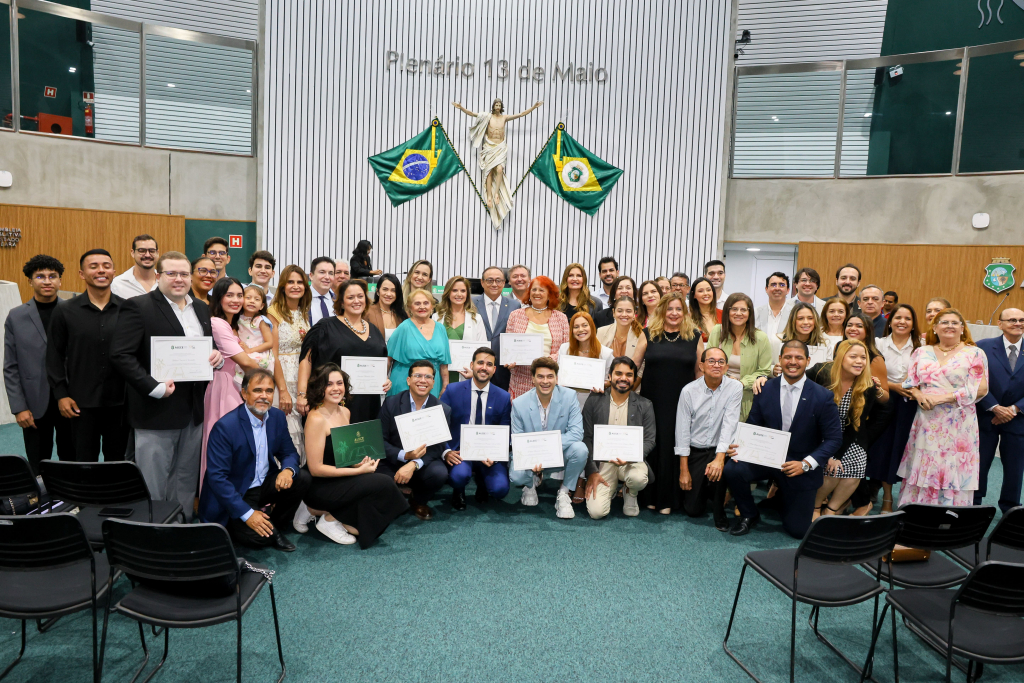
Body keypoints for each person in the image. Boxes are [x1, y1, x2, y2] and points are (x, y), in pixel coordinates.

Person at [109, 251, 223, 521]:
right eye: (171, 273)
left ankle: (179, 525)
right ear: (158, 276)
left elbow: (205, 348)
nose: (178, 279)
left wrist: (216, 358)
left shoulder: (200, 308)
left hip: (192, 410)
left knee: (185, 477)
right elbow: (121, 355)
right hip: (155, 409)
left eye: (184, 274)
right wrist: (153, 387)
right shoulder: (138, 306)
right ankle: (154, 531)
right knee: (154, 480)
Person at [722, 340, 843, 538]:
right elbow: (753, 425)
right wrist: (740, 448)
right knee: (733, 468)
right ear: (780, 359)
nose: (792, 362)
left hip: (799, 464)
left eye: (799, 358)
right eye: (788, 357)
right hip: (766, 458)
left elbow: (834, 439)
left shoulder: (823, 396)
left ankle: (781, 498)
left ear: (808, 361)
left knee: (798, 531)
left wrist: (806, 464)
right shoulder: (765, 389)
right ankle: (749, 514)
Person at [198, 368, 311, 552]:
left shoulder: (277, 417)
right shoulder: (225, 427)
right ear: (244, 393)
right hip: (236, 492)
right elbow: (217, 478)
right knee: (258, 540)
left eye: (269, 391)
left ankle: (272, 525)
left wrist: (287, 470)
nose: (264, 396)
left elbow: (289, 453)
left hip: (262, 484)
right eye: (257, 390)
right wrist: (248, 514)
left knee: (302, 478)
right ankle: (243, 522)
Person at [300, 364, 408, 547]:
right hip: (320, 485)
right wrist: (358, 472)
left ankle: (318, 512)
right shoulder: (316, 418)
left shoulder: (345, 411)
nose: (336, 388)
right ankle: (326, 518)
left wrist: (359, 464)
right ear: (319, 388)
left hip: (340, 478)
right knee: (383, 482)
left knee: (360, 526)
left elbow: (344, 454)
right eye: (329, 384)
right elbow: (316, 469)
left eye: (339, 383)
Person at [898, 308, 988, 507]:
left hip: (959, 421)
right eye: (944, 322)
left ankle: (950, 514)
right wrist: (919, 394)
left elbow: (980, 389)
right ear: (935, 328)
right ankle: (917, 512)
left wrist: (942, 399)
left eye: (955, 323)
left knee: (953, 466)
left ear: (962, 329)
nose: (949, 326)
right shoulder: (921, 352)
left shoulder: (974, 353)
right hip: (927, 419)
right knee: (925, 463)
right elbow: (909, 383)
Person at [46, 249, 129, 463]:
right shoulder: (64, 311)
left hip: (121, 402)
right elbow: (54, 356)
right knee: (83, 461)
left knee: (118, 462)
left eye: (106, 266)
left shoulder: (129, 310)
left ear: (114, 272)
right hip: (79, 403)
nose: (101, 270)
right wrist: (61, 395)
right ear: (82, 274)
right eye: (94, 266)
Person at [5, 255, 73, 473]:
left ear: (60, 281)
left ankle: (71, 494)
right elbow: (10, 366)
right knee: (37, 463)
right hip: (33, 403)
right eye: (40, 276)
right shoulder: (16, 316)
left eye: (52, 276)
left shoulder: (73, 312)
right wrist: (19, 407)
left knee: (72, 459)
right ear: (30, 281)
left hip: (70, 398)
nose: (47, 281)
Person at [809, 340, 891, 520]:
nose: (859, 361)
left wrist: (836, 455)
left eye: (863, 357)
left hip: (847, 435)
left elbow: (854, 425)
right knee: (832, 466)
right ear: (841, 357)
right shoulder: (821, 371)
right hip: (818, 433)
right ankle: (815, 506)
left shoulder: (867, 385)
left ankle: (831, 509)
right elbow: (795, 379)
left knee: (854, 461)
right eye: (853, 356)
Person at [638, 293, 703, 514]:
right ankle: (649, 496)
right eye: (670, 309)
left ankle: (668, 499)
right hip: (651, 401)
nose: (674, 313)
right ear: (662, 311)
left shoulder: (695, 336)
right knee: (653, 445)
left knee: (672, 447)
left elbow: (699, 373)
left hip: (681, 403)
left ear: (684, 312)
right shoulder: (648, 334)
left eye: (678, 309)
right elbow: (634, 366)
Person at [298, 279, 390, 424]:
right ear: (341, 302)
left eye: (360, 296)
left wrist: (384, 381)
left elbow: (380, 363)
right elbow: (306, 360)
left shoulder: (374, 330)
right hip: (334, 401)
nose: (356, 301)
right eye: (350, 297)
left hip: (368, 403)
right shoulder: (326, 327)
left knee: (365, 438)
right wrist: (302, 394)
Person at [510, 358, 588, 519]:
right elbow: (517, 441)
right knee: (516, 476)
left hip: (558, 454)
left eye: (550, 376)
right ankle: (530, 485)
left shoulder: (569, 396)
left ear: (556, 378)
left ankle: (564, 493)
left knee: (580, 449)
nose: (545, 381)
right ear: (532, 378)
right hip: (531, 456)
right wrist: (535, 456)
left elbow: (576, 433)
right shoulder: (519, 404)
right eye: (540, 376)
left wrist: (547, 448)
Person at [201, 278, 261, 486]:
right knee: (228, 444)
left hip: (236, 384)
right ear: (218, 298)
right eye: (230, 295)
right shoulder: (217, 323)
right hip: (224, 386)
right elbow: (246, 362)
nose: (236, 300)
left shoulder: (233, 324)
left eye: (239, 295)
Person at [675, 347, 742, 530]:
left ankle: (719, 509)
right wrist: (684, 470)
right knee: (693, 509)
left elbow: (729, 424)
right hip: (696, 451)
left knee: (725, 465)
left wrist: (720, 458)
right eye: (711, 361)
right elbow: (682, 431)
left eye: (721, 362)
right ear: (701, 366)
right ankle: (709, 490)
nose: (716, 365)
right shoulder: (688, 391)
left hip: (720, 448)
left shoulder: (735, 388)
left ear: (726, 367)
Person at [378, 360, 453, 520]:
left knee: (439, 474)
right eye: (418, 376)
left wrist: (413, 463)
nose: (423, 380)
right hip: (394, 458)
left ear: (433, 382)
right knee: (379, 479)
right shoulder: (391, 403)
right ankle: (397, 496)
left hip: (423, 461)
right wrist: (405, 456)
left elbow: (437, 448)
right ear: (408, 380)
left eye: (428, 377)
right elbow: (380, 440)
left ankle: (418, 500)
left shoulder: (443, 410)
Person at [582, 357, 656, 519]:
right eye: (618, 373)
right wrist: (592, 471)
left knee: (637, 478)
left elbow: (650, 440)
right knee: (596, 513)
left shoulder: (645, 405)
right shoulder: (594, 400)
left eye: (629, 375)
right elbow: (586, 437)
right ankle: (612, 487)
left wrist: (631, 457)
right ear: (609, 376)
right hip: (602, 463)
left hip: (631, 461)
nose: (623, 378)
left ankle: (630, 491)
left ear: (635, 379)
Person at [440, 347, 512, 509]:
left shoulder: (503, 397)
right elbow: (439, 425)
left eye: (489, 364)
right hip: (460, 451)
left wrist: (496, 455)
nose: (484, 368)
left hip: (489, 452)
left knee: (500, 489)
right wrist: (446, 451)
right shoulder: (453, 390)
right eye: (480, 363)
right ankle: (458, 490)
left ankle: (483, 482)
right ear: (472, 365)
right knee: (458, 477)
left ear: (494, 369)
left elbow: (506, 430)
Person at [870, 303, 921, 513]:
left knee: (903, 450)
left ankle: (904, 496)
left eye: (907, 318)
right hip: (883, 401)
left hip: (911, 405)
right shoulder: (878, 344)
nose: (902, 322)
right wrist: (895, 387)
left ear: (913, 324)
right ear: (889, 322)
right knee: (883, 450)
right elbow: (870, 376)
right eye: (898, 317)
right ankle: (886, 496)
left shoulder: (921, 347)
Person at [975, 308, 1024, 513]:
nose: (1018, 323)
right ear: (1000, 323)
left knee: (1015, 468)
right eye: (1012, 320)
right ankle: (975, 505)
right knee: (980, 463)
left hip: (1018, 418)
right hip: (986, 415)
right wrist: (994, 407)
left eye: (1021, 320)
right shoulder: (982, 347)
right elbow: (974, 380)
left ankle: (1010, 508)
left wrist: (1013, 409)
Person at [267, 265, 312, 458]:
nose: (295, 286)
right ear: (282, 286)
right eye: (290, 282)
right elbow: (273, 354)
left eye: (300, 282)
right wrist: (283, 390)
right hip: (282, 378)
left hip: (301, 377)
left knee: (300, 427)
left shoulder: (303, 312)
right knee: (286, 427)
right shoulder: (273, 312)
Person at [505, 276, 570, 399]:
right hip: (521, 380)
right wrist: (509, 358)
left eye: (541, 290)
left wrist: (546, 361)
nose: (537, 293)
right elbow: (508, 346)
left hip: (550, 380)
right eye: (534, 289)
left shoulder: (561, 318)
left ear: (549, 294)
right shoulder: (515, 315)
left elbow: (566, 348)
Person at [710, 293, 772, 422]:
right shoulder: (717, 331)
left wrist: (741, 383)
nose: (738, 313)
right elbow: (708, 362)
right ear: (727, 311)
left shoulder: (761, 338)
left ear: (750, 313)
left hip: (748, 396)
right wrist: (726, 380)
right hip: (718, 393)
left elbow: (764, 370)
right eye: (734, 309)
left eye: (743, 310)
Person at [387, 289, 450, 397]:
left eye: (426, 303)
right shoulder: (403, 328)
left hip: (432, 382)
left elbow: (444, 364)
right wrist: (384, 379)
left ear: (432, 306)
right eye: (417, 303)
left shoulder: (440, 328)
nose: (422, 307)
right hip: (405, 381)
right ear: (410, 307)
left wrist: (445, 385)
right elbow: (388, 358)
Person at [433, 276, 488, 383]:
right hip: (440, 372)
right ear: (448, 293)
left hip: (466, 373)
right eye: (454, 290)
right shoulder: (437, 317)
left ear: (467, 294)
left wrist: (475, 372)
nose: (459, 294)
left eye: (463, 291)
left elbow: (483, 350)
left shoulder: (476, 318)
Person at [473, 266, 517, 391]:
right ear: (482, 282)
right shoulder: (470, 303)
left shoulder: (514, 305)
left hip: (504, 368)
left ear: (504, 283)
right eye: (489, 280)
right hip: (478, 367)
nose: (494, 284)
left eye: (498, 280)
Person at [558, 311, 614, 410]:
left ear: (592, 327)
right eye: (576, 327)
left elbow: (610, 380)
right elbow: (558, 375)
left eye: (585, 325)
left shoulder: (606, 353)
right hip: (567, 402)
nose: (580, 330)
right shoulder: (564, 349)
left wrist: (602, 384)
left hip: (595, 403)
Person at [839, 313, 890, 404]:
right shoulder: (838, 347)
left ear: (868, 331)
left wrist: (877, 389)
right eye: (849, 325)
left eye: (859, 326)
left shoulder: (876, 358)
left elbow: (885, 397)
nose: (852, 328)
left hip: (865, 407)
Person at [770, 302, 829, 373]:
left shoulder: (825, 343)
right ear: (793, 321)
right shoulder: (776, 340)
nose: (806, 322)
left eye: (810, 318)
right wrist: (773, 370)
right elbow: (765, 367)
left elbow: (829, 370)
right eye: (800, 318)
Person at [596, 296, 648, 377]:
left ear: (634, 314)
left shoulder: (642, 336)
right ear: (613, 312)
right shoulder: (601, 332)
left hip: (632, 383)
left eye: (628, 311)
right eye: (620, 311)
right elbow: (596, 361)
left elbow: (641, 370)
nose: (624, 314)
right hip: (603, 382)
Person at [236, 284, 275, 377]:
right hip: (242, 353)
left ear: (262, 306)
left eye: (257, 299)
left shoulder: (261, 320)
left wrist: (250, 350)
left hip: (258, 354)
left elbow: (269, 343)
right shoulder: (237, 319)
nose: (252, 301)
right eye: (248, 298)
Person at [111, 234, 159, 299]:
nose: (147, 255)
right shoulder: (117, 285)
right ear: (132, 253)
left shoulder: (165, 282)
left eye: (152, 251)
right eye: (142, 251)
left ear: (157, 253)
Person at [365, 273, 407, 341]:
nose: (389, 294)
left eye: (393, 290)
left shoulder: (402, 315)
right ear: (378, 291)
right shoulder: (367, 312)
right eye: (385, 289)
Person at [754, 272, 794, 341]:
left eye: (782, 285)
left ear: (788, 290)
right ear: (766, 289)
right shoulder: (755, 313)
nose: (777, 288)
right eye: (773, 285)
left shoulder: (794, 313)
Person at [688, 276, 721, 343]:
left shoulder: (724, 314)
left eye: (708, 290)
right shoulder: (688, 318)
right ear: (694, 295)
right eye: (701, 291)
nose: (706, 293)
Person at [309, 256, 336, 326]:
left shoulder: (339, 300)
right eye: (322, 272)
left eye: (330, 273)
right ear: (311, 276)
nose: (327, 277)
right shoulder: (301, 298)